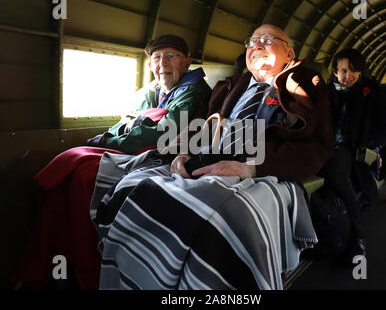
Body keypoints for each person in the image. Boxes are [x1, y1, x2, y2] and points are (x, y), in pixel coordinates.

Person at [90, 24, 333, 289]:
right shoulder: (231, 86)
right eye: (252, 42)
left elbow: (315, 147)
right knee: (131, 185)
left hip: (265, 168)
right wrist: (183, 153)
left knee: (220, 217)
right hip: (210, 156)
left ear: (290, 53)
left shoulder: (306, 85)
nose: (257, 46)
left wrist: (250, 168)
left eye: (267, 40)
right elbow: (199, 126)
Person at [9, 35, 212, 290]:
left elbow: (166, 133)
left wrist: (108, 143)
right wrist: (108, 137)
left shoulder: (195, 91)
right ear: (150, 65)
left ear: (187, 63)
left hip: (160, 154)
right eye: (157, 58)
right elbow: (125, 123)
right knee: (68, 170)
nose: (163, 63)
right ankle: (61, 254)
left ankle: (89, 260)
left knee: (84, 175)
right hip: (130, 148)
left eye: (172, 56)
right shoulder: (149, 92)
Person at [320, 48, 386, 263]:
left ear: (361, 70)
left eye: (353, 70)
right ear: (335, 72)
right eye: (343, 70)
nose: (348, 76)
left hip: (349, 148)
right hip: (321, 145)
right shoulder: (326, 92)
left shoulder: (372, 91)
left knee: (336, 172)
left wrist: (372, 147)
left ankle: (356, 235)